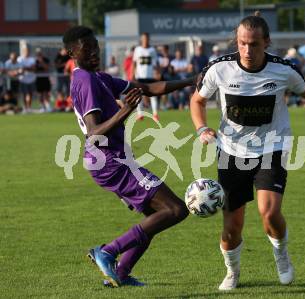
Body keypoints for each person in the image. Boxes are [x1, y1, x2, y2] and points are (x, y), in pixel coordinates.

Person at [190, 12, 305, 291]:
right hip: (231, 151)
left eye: (254, 44)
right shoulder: (219, 69)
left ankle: (282, 256)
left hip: (272, 146)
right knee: (231, 227)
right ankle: (232, 272)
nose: (247, 50)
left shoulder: (284, 70)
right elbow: (197, 100)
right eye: (242, 43)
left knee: (269, 213)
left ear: (267, 43)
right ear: (236, 42)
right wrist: (202, 128)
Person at [63, 25, 194, 287]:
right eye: (86, 48)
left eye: (95, 46)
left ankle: (121, 274)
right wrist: (126, 111)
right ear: (71, 53)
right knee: (176, 209)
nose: (94, 52)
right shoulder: (85, 80)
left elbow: (148, 88)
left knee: (154, 217)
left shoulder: (98, 77)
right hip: (111, 162)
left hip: (114, 161)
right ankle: (108, 251)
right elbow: (93, 132)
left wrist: (192, 80)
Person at [132, 32, 160, 121]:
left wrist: (158, 73)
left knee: (153, 95)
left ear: (148, 39)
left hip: (150, 76)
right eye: (143, 39)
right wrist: (132, 74)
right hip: (140, 76)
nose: (145, 40)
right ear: (141, 39)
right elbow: (134, 62)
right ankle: (140, 114)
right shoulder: (138, 49)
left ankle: (155, 114)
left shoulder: (152, 50)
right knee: (138, 95)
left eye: (147, 39)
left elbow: (156, 63)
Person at [18, 47, 36, 113]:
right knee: (24, 94)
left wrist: (25, 68)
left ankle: (29, 107)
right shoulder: (20, 59)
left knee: (30, 94)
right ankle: (25, 107)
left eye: (27, 51)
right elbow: (20, 68)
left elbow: (33, 68)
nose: (26, 52)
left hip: (31, 79)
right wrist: (28, 68)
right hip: (23, 80)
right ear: (23, 52)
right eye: (25, 51)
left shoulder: (32, 59)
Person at [35, 48, 52, 112]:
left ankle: (47, 106)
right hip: (38, 79)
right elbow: (34, 70)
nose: (39, 54)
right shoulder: (35, 61)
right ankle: (42, 107)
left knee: (46, 93)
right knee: (40, 94)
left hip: (45, 78)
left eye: (40, 53)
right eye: (37, 53)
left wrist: (41, 62)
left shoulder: (45, 59)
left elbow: (47, 68)